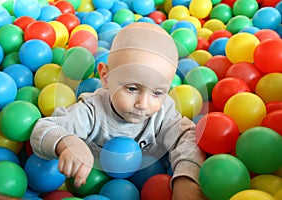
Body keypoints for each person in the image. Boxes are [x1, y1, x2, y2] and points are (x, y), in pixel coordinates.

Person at [30, 22, 206, 199]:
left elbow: (188, 138)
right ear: (106, 77)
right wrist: (67, 142)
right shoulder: (92, 111)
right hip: (91, 188)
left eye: (157, 92)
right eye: (132, 89)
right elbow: (42, 129)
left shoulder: (163, 114)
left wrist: (186, 180)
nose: (143, 104)